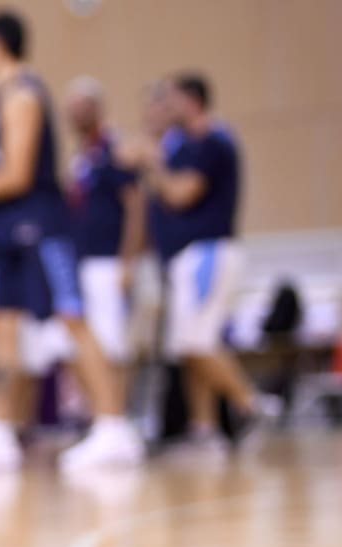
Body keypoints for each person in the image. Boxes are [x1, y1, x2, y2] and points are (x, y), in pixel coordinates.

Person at [0, 9, 143, 471]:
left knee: (71, 319)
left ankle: (113, 424)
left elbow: (17, 173)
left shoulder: (22, 94)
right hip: (3, 232)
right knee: (3, 327)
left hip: (40, 228)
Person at [134, 73, 279, 447]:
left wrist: (153, 166)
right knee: (190, 343)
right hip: (185, 259)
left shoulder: (214, 141)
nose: (167, 108)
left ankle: (252, 404)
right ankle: (205, 428)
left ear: (192, 101)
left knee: (196, 342)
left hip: (208, 254)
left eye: (173, 100)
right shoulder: (183, 145)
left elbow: (182, 193)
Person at [63, 76, 146, 404]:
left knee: (112, 343)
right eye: (70, 109)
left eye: (81, 108)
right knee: (85, 341)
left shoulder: (115, 149)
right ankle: (99, 413)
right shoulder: (83, 154)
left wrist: (128, 261)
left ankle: (117, 415)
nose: (74, 115)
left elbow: (135, 206)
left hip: (108, 259)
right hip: (83, 258)